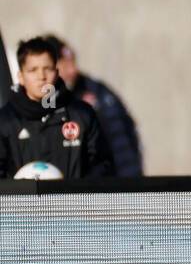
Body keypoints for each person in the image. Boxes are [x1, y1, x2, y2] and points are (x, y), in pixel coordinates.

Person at [0, 38, 113, 179]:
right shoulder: (6, 121)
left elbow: (102, 166)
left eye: (47, 69)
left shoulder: (81, 115)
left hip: (73, 200)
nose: (41, 77)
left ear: (57, 72)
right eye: (33, 70)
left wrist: (75, 193)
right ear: (21, 76)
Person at [44, 35, 143, 176]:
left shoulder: (97, 93)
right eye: (65, 65)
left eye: (73, 62)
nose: (72, 70)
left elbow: (122, 140)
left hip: (109, 184)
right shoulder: (40, 102)